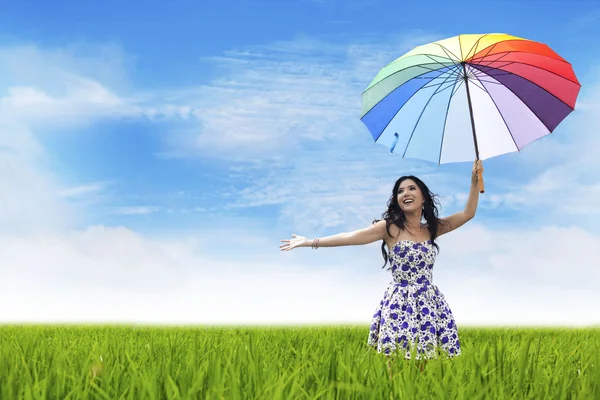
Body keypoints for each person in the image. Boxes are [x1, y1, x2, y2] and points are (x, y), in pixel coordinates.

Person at [280, 160, 483, 368]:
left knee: (422, 366)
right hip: (399, 304)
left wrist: (474, 181)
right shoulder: (389, 228)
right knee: (393, 367)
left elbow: (468, 213)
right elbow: (350, 236)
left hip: (427, 304)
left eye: (412, 188)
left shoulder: (432, 228)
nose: (406, 193)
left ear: (423, 198)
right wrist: (310, 242)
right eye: (401, 191)